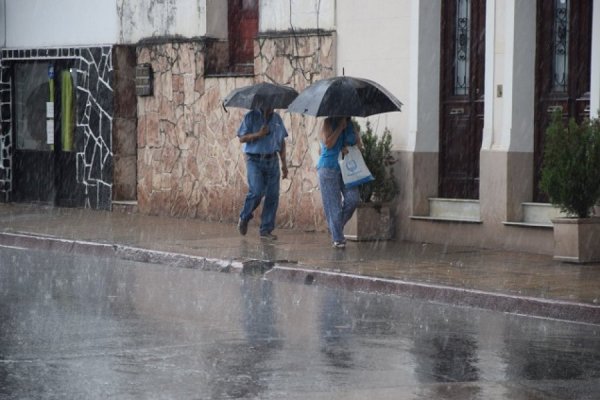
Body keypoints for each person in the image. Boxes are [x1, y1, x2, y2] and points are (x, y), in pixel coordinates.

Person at [237, 108, 288, 240]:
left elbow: (282, 142)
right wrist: (258, 134)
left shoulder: (277, 119)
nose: (271, 105)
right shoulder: (250, 117)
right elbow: (241, 138)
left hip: (272, 159)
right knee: (256, 191)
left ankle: (266, 229)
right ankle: (244, 216)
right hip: (254, 159)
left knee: (272, 195)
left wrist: (284, 164)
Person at [316, 116, 362, 248]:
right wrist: (339, 128)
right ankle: (338, 240)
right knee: (334, 208)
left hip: (347, 169)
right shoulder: (328, 123)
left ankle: (336, 227)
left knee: (353, 199)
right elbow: (328, 144)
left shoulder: (351, 125)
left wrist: (349, 147)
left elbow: (359, 144)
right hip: (328, 168)